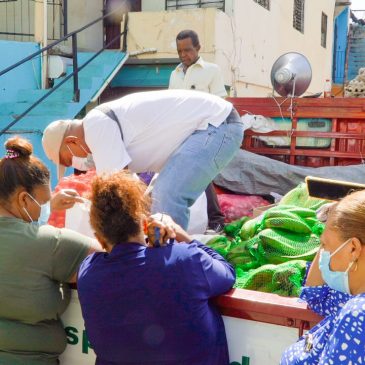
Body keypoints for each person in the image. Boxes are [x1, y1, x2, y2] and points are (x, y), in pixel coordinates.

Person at [77, 170, 236, 365]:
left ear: (100, 239)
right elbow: (227, 272)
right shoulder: (185, 259)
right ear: (144, 224)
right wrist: (179, 233)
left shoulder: (88, 274)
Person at [42, 89, 244, 230]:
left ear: (71, 141)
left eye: (68, 160)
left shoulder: (95, 125)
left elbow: (118, 190)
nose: (75, 165)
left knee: (167, 196)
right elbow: (128, 187)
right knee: (151, 203)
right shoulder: (98, 126)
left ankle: (169, 268)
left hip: (217, 124)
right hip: (209, 128)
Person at [0, 137, 100, 365]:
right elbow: (118, 257)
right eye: (44, 202)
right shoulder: (50, 243)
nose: (44, 209)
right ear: (24, 199)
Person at [281, 190, 365, 365]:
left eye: (325, 245)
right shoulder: (351, 297)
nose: (324, 255)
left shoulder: (357, 313)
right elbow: (316, 296)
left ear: (353, 249)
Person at [169, 29, 227, 233]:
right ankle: (182, 221)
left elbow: (221, 103)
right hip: (180, 133)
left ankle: (216, 220)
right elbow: (170, 104)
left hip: (204, 132)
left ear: (198, 48)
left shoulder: (212, 71)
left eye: (188, 50)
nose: (184, 55)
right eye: (180, 51)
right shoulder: (174, 74)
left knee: (203, 173)